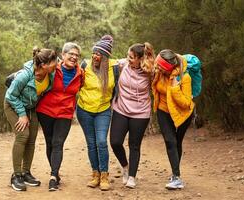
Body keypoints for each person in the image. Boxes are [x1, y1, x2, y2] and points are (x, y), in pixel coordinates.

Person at [4, 47, 57, 191]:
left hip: (31, 107)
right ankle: (16, 175)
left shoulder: (50, 74)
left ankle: (26, 172)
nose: (56, 64)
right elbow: (11, 95)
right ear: (43, 65)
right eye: (54, 62)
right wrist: (21, 114)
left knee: (32, 138)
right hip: (14, 105)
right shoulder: (24, 75)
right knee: (23, 135)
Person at [36, 42, 83, 191]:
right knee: (50, 142)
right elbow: (36, 75)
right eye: (71, 54)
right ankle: (55, 173)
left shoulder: (81, 73)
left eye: (77, 55)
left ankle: (53, 176)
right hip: (46, 111)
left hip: (65, 113)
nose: (74, 57)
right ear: (63, 55)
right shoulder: (52, 69)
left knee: (58, 143)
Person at [110, 42, 155, 189]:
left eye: (131, 57)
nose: (128, 59)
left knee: (134, 146)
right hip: (121, 109)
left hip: (140, 113)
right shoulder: (123, 65)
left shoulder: (150, 72)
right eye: (128, 56)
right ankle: (125, 166)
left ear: (140, 59)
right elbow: (107, 63)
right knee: (115, 142)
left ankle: (132, 177)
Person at [76, 35, 117, 191]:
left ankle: (105, 175)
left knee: (101, 141)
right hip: (84, 110)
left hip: (103, 110)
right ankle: (95, 174)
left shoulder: (114, 67)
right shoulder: (85, 65)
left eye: (99, 54)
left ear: (106, 56)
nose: (95, 56)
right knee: (91, 143)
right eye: (94, 53)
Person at [151, 49, 194, 190]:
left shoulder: (184, 77)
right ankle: (176, 177)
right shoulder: (159, 73)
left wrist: (175, 89)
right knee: (170, 141)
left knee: (177, 142)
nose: (157, 67)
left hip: (183, 114)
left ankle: (175, 175)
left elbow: (186, 103)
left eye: (160, 66)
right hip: (164, 111)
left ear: (168, 67)